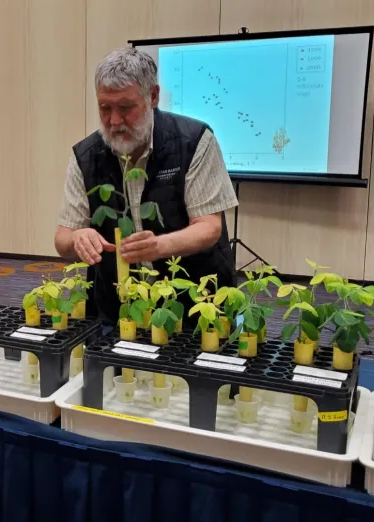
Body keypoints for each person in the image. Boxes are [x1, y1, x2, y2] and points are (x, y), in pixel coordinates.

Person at [55, 47, 239, 326]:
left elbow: (209, 227)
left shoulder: (193, 141)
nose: (114, 121)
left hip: (194, 305)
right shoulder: (86, 156)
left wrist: (158, 246)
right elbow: (63, 238)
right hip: (119, 309)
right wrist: (78, 237)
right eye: (105, 108)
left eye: (126, 108)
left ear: (153, 96)